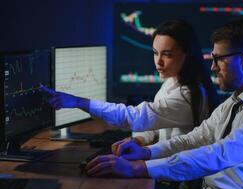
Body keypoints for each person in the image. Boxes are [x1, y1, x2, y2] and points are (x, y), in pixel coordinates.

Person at [85, 19, 243, 189]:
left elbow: (218, 155)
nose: (213, 67)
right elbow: (197, 138)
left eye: (219, 59)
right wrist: (147, 152)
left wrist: (139, 167)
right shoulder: (237, 100)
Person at [41, 20, 218, 146]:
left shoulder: (187, 96)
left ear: (187, 54)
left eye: (167, 54)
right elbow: (158, 123)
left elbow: (133, 117)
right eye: (155, 53)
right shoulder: (173, 80)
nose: (158, 62)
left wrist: (79, 102)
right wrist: (139, 139)